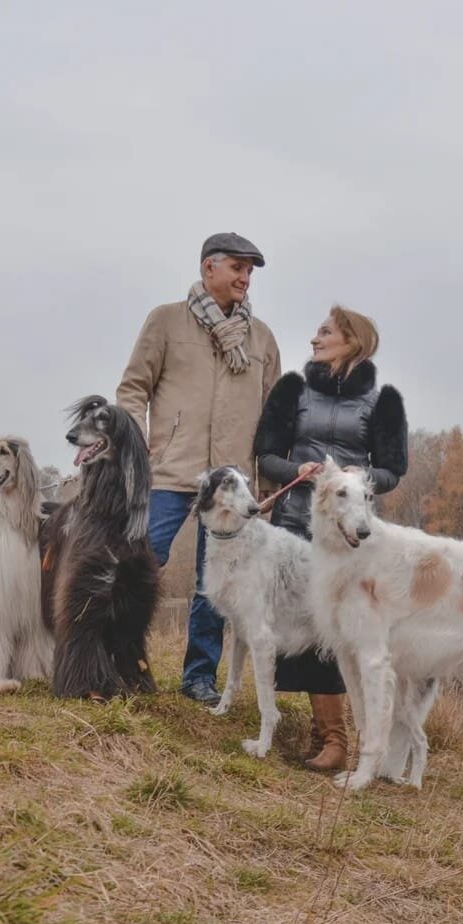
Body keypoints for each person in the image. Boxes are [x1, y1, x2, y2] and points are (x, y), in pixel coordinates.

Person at [117, 233, 281, 704]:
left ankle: (198, 678)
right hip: (170, 470)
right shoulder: (166, 321)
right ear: (209, 268)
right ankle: (124, 660)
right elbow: (132, 389)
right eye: (237, 267)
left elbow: (272, 416)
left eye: (250, 270)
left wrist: (266, 489)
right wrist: (137, 448)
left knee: (217, 583)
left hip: (231, 484)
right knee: (139, 562)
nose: (245, 278)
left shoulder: (262, 338)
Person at [253, 306, 408, 770]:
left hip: (347, 535)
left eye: (325, 332)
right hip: (292, 524)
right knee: (296, 625)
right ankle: (319, 732)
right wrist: (295, 470)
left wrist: (362, 477)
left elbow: (393, 470)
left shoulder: (384, 402)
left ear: (352, 341)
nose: (314, 339)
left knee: (339, 628)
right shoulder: (292, 390)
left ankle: (340, 740)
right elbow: (265, 455)